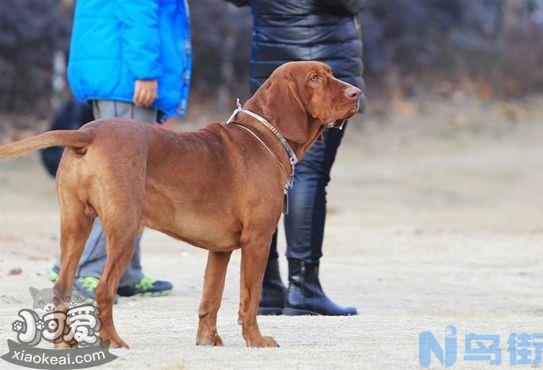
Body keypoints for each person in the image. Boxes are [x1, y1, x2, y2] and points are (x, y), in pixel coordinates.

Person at [47, 0, 192, 301]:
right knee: (117, 183)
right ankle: (85, 269)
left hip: (119, 73)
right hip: (126, 78)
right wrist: (145, 71)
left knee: (135, 182)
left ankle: (124, 271)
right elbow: (136, 7)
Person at [227, 0, 366, 315]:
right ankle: (304, 287)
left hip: (270, 68)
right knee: (309, 174)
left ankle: (266, 288)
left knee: (266, 177)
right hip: (318, 66)